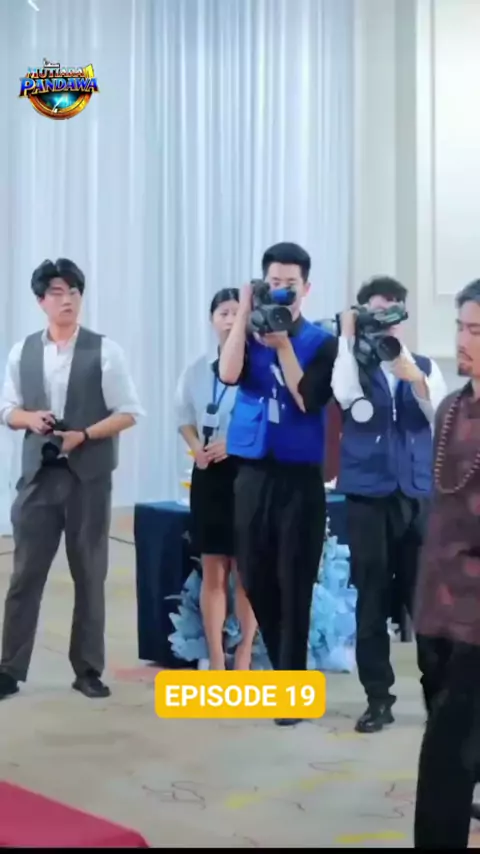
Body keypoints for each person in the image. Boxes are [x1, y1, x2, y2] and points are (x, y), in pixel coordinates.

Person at [0, 259, 143, 701]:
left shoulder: (106, 351)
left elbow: (129, 412)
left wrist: (85, 434)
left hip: (88, 479)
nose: (67, 300)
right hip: (39, 477)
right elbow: (7, 409)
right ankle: (9, 668)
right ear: (41, 301)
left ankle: (88, 669)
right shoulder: (22, 351)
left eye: (74, 292)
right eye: (57, 293)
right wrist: (30, 419)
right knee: (25, 576)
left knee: (90, 575)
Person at [219, 242, 337, 724]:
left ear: (306, 288)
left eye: (291, 283)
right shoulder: (248, 333)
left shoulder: (322, 342)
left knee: (295, 581)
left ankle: (290, 688)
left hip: (300, 475)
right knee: (253, 574)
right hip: (253, 470)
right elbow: (228, 374)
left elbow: (309, 399)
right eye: (274, 282)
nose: (282, 290)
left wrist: (284, 345)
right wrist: (244, 312)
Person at [332, 276, 447, 734]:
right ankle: (378, 699)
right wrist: (347, 338)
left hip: (416, 497)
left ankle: (438, 697)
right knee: (372, 600)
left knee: (425, 602)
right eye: (377, 313)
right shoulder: (353, 365)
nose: (387, 322)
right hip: (367, 498)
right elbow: (343, 394)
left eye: (394, 312)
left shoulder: (423, 366)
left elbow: (437, 414)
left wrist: (412, 374)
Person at [413, 279, 480, 849]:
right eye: (461, 326)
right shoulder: (451, 409)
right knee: (455, 737)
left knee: (445, 755)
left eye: (476, 331)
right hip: (436, 605)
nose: (463, 340)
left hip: (477, 618)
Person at [174, 288, 257, 671]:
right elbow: (184, 417)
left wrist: (235, 444)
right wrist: (196, 447)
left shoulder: (259, 369)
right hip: (208, 474)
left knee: (245, 570)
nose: (229, 319)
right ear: (212, 320)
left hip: (247, 473)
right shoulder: (197, 370)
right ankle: (217, 658)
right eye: (223, 312)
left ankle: (244, 655)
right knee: (213, 568)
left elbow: (269, 423)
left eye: (237, 313)